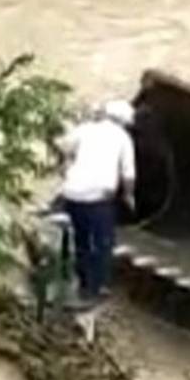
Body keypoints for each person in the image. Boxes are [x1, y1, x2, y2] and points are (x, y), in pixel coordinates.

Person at [58, 99, 136, 304]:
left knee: (81, 239)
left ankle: (82, 282)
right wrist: (128, 196)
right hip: (97, 199)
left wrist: (66, 169)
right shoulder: (123, 138)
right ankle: (95, 289)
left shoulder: (84, 130)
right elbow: (128, 174)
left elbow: (64, 148)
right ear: (124, 121)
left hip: (72, 195)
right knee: (103, 243)